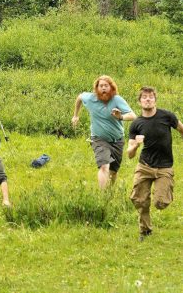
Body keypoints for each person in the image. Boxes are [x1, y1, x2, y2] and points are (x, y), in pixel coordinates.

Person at [127, 87, 183, 241]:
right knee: (139, 200)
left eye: (150, 97)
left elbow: (181, 129)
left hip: (164, 166)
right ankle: (145, 230)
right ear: (140, 102)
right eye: (144, 97)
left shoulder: (167, 116)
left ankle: (166, 190)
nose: (147, 99)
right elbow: (129, 154)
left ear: (155, 100)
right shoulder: (136, 124)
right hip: (144, 166)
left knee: (160, 203)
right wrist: (136, 146)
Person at [72, 75, 136, 189]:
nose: (103, 88)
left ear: (111, 87)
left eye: (106, 86)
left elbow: (133, 116)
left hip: (117, 140)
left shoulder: (117, 100)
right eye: (101, 86)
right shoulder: (91, 98)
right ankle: (102, 198)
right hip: (99, 138)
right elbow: (80, 97)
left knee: (113, 171)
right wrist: (75, 115)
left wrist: (120, 116)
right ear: (97, 88)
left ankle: (109, 193)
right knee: (104, 166)